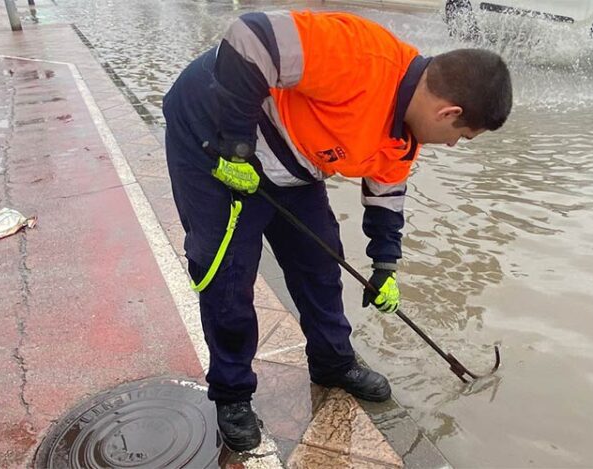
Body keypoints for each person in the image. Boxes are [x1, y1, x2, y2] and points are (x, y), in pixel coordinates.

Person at [162, 9, 512, 452]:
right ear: (449, 112)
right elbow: (248, 37)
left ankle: (332, 363)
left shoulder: (405, 135)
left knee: (321, 264)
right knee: (227, 278)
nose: (453, 145)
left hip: (292, 164)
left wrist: (385, 264)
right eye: (461, 136)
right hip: (214, 142)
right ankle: (232, 395)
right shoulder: (360, 57)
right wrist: (236, 146)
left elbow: (386, 191)